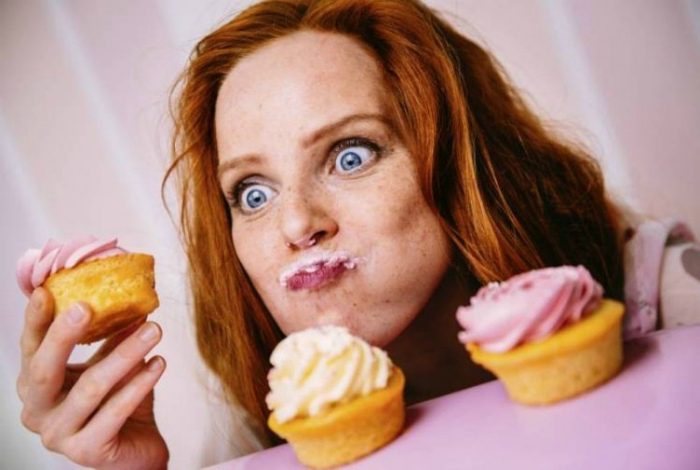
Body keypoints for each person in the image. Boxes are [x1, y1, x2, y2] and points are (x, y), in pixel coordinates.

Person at [15, 0, 698, 468]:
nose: (296, 224)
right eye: (253, 193)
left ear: (457, 161)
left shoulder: (667, 295)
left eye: (350, 155)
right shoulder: (271, 423)